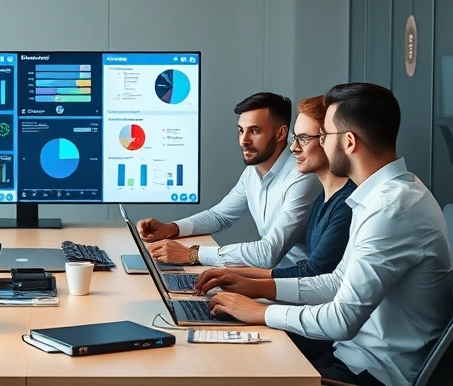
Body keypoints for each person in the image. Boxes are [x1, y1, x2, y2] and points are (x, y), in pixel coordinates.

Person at [182, 83, 453, 386]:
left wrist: (261, 312)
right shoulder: (386, 194)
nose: (317, 145)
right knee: (233, 374)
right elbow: (338, 282)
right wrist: (259, 291)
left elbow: (341, 320)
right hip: (354, 362)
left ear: (349, 142)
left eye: (322, 135)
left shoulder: (391, 209)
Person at [138, 92, 321, 269]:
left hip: (295, 282)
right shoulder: (254, 170)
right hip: (266, 274)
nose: (243, 140)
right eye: (241, 131)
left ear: (281, 134)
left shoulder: (302, 175)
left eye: (254, 131)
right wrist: (171, 228)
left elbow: (268, 253)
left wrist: (194, 254)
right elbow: (220, 216)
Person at [200, 95, 355, 282]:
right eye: (296, 138)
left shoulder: (342, 201)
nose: (294, 148)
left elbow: (316, 277)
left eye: (304, 138)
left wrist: (247, 287)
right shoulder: (325, 196)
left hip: (305, 297)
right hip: (295, 288)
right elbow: (313, 274)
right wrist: (237, 278)